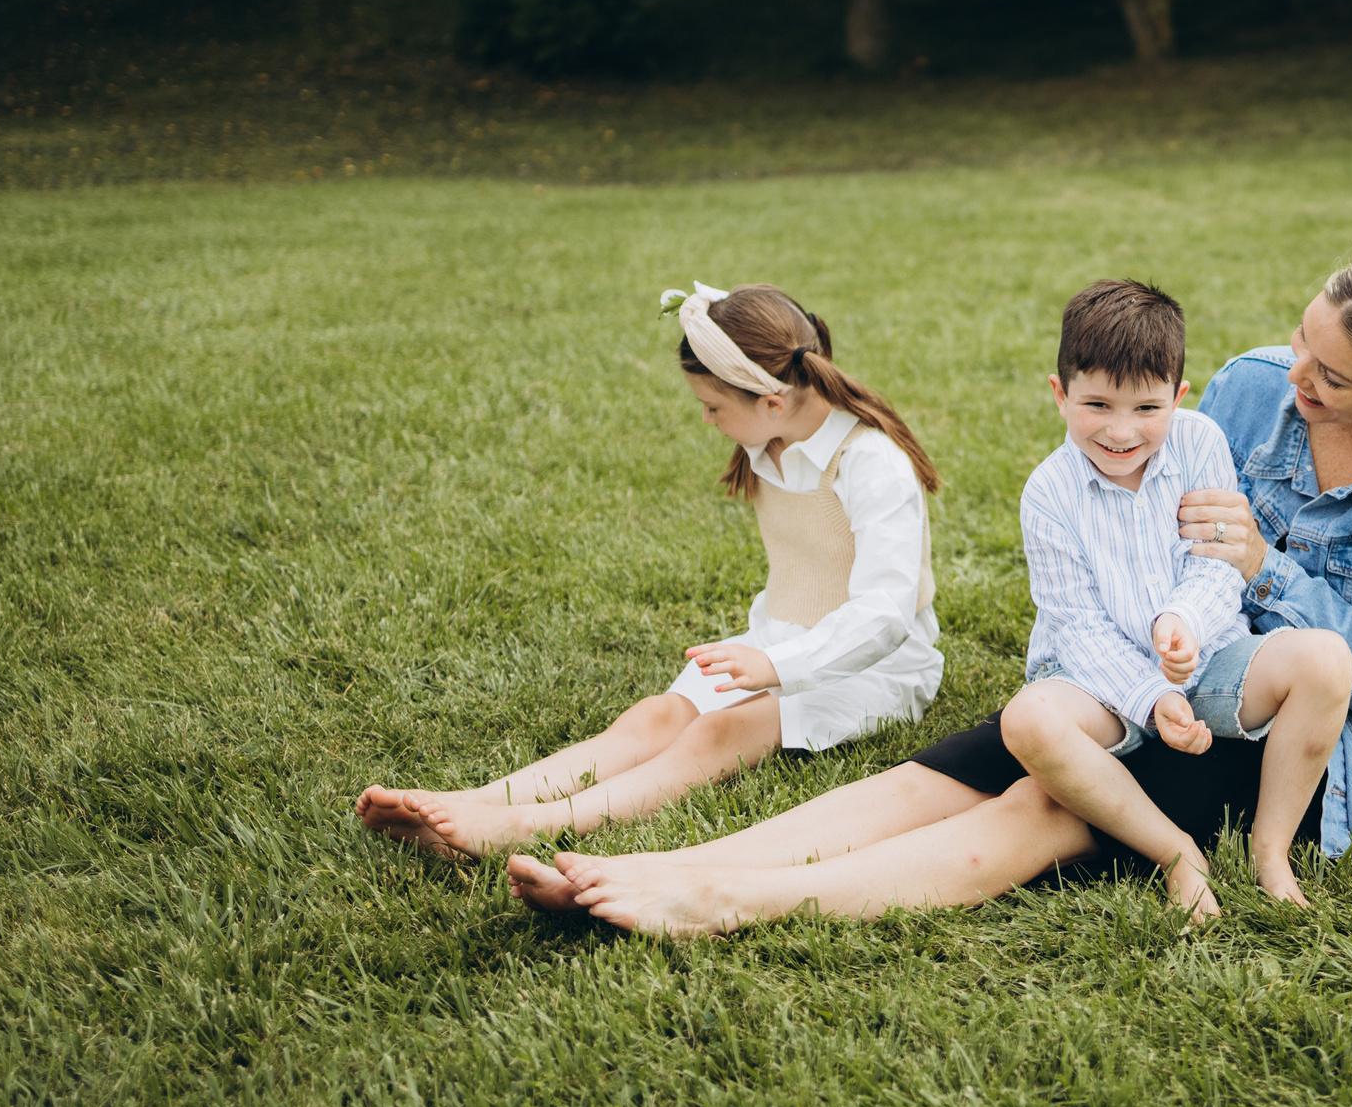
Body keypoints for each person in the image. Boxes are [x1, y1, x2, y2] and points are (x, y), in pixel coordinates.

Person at [500, 245, 1352, 937]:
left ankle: (723, 900)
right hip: (1154, 666)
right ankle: (682, 858)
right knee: (960, 763)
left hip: (1310, 739)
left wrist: (1262, 574)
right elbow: (1138, 515)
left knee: (1039, 807)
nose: (1293, 381)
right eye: (1302, 346)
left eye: (1327, 378)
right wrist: (1139, 661)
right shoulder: (1247, 386)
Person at [354, 281, 944, 857]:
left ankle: (526, 827)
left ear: (771, 401)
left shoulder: (871, 463)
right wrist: (768, 651)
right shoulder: (772, 436)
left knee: (720, 733)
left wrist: (775, 664)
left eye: (713, 406)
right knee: (659, 716)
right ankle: (476, 802)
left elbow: (885, 615)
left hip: (878, 668)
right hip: (781, 638)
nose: (708, 420)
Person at [998, 279, 1352, 916]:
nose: (1119, 431)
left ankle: (1270, 850)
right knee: (1028, 720)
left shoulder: (1200, 443)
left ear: (1178, 397)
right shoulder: (1048, 494)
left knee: (1326, 658)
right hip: (1097, 684)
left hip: (1205, 658)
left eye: (1146, 409)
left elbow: (1218, 567)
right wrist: (1151, 695)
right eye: (1097, 405)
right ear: (1060, 394)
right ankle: (1174, 851)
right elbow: (1076, 626)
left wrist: (1181, 621)